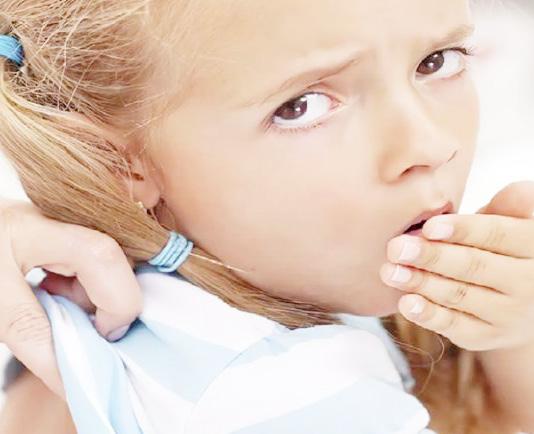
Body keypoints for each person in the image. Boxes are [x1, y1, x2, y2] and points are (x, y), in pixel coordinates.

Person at [0, 0, 532, 433]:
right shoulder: (288, 395)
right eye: (302, 106)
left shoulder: (95, 305)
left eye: (437, 61)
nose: (429, 145)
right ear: (117, 163)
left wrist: (512, 336)